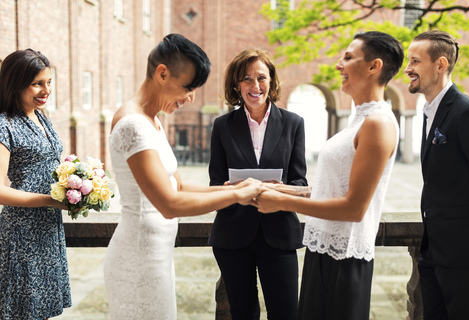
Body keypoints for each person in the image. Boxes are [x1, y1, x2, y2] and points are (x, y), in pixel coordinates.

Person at [103, 34, 262, 320]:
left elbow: (178, 185)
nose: (190, 98)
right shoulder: (132, 125)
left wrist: (236, 186)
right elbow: (170, 204)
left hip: (156, 255)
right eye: (188, 87)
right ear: (162, 73)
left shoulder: (153, 121)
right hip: (138, 258)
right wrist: (237, 196)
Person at [254, 31, 404, 320]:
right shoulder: (359, 119)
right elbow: (333, 187)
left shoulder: (378, 124)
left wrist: (281, 203)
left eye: (348, 57)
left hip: (345, 258)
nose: (339, 64)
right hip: (322, 250)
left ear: (374, 67)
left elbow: (353, 208)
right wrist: (285, 190)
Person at [208, 48, 307, 320]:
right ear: (236, 85)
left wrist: (280, 188)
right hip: (233, 235)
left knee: (286, 313)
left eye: (261, 78)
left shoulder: (293, 123)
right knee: (242, 313)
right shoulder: (222, 126)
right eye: (247, 79)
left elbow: (300, 181)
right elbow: (215, 181)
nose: (255, 86)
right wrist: (231, 190)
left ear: (271, 81)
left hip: (279, 233)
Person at [404, 30, 469, 319]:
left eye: (415, 61)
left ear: (441, 64)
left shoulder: (466, 112)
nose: (408, 68)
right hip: (432, 252)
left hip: (463, 257)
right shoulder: (428, 111)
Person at [0, 49, 71, 319]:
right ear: (16, 83)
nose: (46, 90)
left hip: (48, 228)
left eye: (49, 82)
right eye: (37, 83)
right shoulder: (4, 125)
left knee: (41, 310)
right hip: (22, 233)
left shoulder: (41, 116)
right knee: (23, 311)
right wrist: (49, 200)